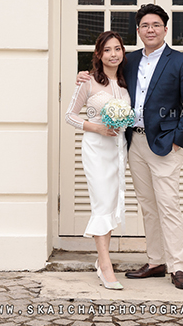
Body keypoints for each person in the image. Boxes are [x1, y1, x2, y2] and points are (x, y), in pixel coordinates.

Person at [77, 4, 183, 290]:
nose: (150, 30)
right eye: (145, 25)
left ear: (165, 29)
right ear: (138, 30)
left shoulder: (182, 62)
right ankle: (156, 260)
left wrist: (178, 139)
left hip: (165, 144)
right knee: (147, 205)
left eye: (156, 25)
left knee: (168, 205)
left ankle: (177, 266)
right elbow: (104, 77)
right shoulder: (129, 60)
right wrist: (82, 76)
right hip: (134, 142)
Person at [65, 30, 131, 290]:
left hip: (118, 148)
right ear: (98, 54)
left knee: (112, 202)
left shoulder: (127, 82)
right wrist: (98, 128)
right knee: (102, 202)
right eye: (107, 50)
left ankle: (101, 260)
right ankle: (105, 266)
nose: (113, 54)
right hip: (96, 147)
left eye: (117, 49)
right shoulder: (88, 82)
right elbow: (70, 116)